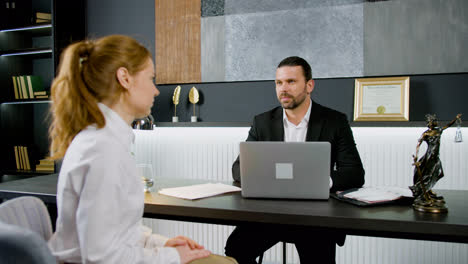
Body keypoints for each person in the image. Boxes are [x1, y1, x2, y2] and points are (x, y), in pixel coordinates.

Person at [47, 35, 237, 264]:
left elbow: (118, 230)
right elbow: (101, 256)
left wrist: (159, 243)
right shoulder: (102, 151)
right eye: (151, 78)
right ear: (125, 78)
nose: (156, 91)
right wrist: (172, 256)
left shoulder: (105, 141)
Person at [225, 56, 365, 264]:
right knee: (236, 249)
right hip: (270, 213)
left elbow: (355, 173)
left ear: (309, 85)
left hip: (315, 217)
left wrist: (321, 182)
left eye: (291, 82)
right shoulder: (262, 122)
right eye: (279, 83)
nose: (283, 88)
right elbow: (238, 169)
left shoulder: (335, 121)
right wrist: (264, 180)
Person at [410, 113, 462, 202]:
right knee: (429, 174)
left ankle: (428, 190)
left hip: (436, 156)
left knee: (438, 173)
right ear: (429, 123)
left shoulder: (438, 130)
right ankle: (423, 191)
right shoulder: (426, 133)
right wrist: (416, 156)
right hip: (429, 156)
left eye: (435, 121)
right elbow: (418, 144)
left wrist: (455, 118)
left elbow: (448, 125)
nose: (434, 123)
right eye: (432, 121)